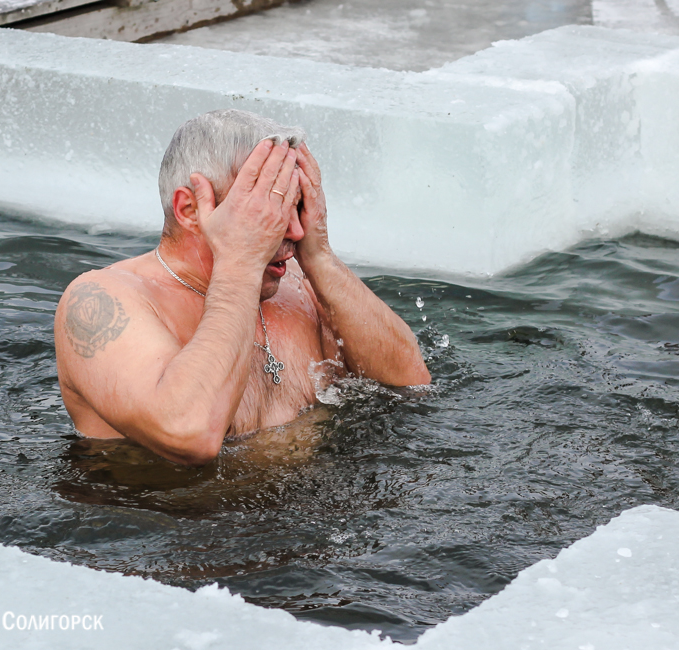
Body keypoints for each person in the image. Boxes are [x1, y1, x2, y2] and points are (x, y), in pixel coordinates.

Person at [54, 109, 430, 466]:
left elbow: (410, 385)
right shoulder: (103, 298)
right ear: (189, 210)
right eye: (264, 208)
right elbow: (190, 433)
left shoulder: (298, 286)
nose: (295, 230)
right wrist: (241, 261)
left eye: (296, 206)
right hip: (170, 510)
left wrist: (321, 258)